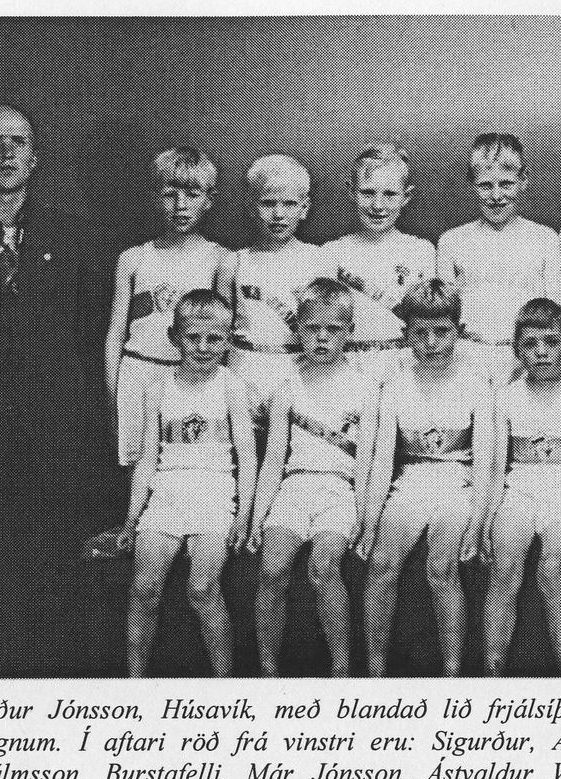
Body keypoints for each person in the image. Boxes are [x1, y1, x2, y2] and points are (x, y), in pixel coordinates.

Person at [0, 103, 105, 675]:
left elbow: (89, 332)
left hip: (53, 425)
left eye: (19, 141)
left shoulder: (70, 232)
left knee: (55, 559)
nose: (7, 151)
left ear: (34, 157)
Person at [117, 291, 255, 677]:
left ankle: (225, 685)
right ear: (175, 337)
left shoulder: (231, 385)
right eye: (194, 338)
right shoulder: (157, 387)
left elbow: (247, 458)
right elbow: (147, 459)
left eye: (215, 339)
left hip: (214, 494)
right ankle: (134, 684)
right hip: (167, 494)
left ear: (228, 340)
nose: (204, 347)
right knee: (144, 589)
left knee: (202, 589)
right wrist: (131, 518)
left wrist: (243, 517)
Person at [360, 280, 493, 677]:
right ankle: (375, 670)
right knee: (381, 565)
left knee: (441, 569)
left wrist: (478, 523)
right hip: (411, 482)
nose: (431, 342)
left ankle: (452, 671)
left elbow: (485, 461)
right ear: (406, 333)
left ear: (458, 330)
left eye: (442, 332)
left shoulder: (477, 382)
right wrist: (369, 518)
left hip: (458, 485)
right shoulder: (394, 383)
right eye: (421, 333)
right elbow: (382, 458)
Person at [250, 279, 377, 677]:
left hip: (340, 491)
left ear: (349, 332)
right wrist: (257, 516)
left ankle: (341, 670)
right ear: (298, 330)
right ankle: (268, 669)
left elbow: (368, 461)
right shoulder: (287, 385)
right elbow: (273, 458)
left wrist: (365, 517)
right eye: (312, 329)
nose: (322, 338)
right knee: (272, 569)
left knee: (324, 568)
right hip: (294, 487)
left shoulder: (366, 386)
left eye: (332, 330)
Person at [483, 299, 561, 677]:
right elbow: (497, 467)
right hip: (518, 490)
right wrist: (487, 518)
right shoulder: (507, 394)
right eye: (530, 344)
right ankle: (492, 675)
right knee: (504, 569)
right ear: (517, 350)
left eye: (551, 342)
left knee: (553, 570)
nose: (541, 352)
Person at [104, 148, 225, 468]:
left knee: (182, 466)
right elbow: (116, 333)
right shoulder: (133, 258)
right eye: (170, 194)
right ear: (156, 197)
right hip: (137, 374)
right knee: (136, 468)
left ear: (209, 200)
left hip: (190, 376)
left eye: (192, 194)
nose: (180, 205)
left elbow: (224, 334)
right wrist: (114, 391)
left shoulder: (220, 260)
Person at [437, 134, 561, 384]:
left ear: (523, 180)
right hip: (466, 357)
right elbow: (442, 315)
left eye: (506, 184)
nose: (496, 195)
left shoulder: (545, 238)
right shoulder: (451, 241)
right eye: (485, 185)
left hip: (526, 358)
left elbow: (553, 311)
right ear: (472, 183)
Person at [216, 155, 329, 419]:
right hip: (243, 373)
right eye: (268, 203)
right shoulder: (234, 262)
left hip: (300, 372)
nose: (278, 214)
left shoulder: (319, 260)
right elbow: (219, 330)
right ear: (251, 206)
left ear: (304, 208)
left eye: (289, 204)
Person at [323, 144, 436, 380]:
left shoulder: (422, 251)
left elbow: (430, 318)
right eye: (367, 193)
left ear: (406, 197)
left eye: (390, 194)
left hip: (407, 365)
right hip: (349, 367)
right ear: (351, 191)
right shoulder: (332, 253)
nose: (377, 205)